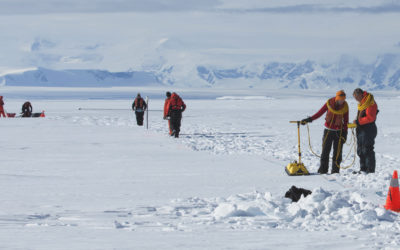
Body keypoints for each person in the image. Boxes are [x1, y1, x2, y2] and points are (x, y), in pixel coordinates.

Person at [301, 90, 349, 174]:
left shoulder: (345, 107)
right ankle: (323, 170)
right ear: (337, 98)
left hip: (339, 132)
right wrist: (310, 119)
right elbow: (320, 113)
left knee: (337, 154)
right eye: (341, 100)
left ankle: (335, 171)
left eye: (343, 100)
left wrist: (345, 133)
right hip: (328, 131)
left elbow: (346, 120)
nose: (342, 101)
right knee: (325, 152)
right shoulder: (329, 103)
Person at [353, 88, 378, 174]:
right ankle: (363, 169)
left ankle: (370, 170)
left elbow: (371, 118)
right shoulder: (363, 103)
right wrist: (356, 122)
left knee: (367, 149)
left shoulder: (370, 102)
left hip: (368, 129)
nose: (356, 99)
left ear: (360, 94)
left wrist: (358, 121)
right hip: (361, 129)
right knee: (360, 149)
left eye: (356, 97)